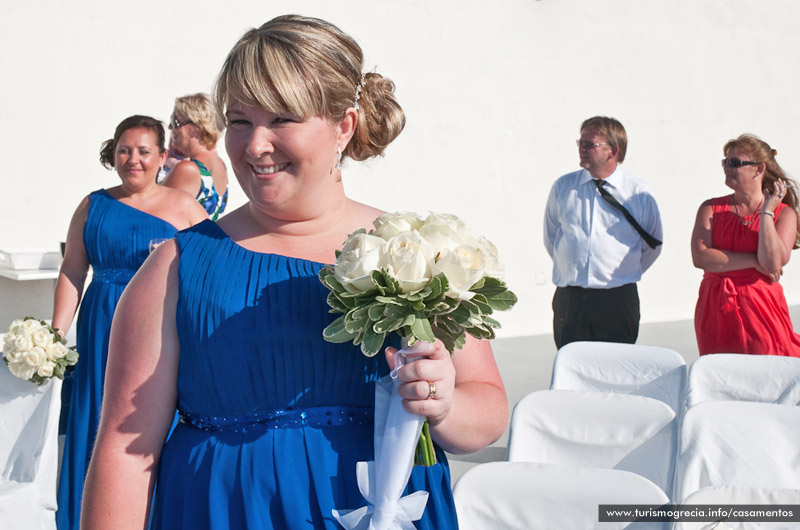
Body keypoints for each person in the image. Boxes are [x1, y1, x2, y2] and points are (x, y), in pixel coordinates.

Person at [81, 15, 508, 530]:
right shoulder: (173, 268)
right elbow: (125, 454)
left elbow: (486, 413)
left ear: (343, 127)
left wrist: (443, 406)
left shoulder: (419, 254)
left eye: (282, 119)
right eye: (239, 121)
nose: (255, 145)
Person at [52, 115, 207, 530]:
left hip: (160, 331)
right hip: (100, 327)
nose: (132, 159)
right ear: (113, 153)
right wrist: (55, 333)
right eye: (124, 150)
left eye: (143, 151)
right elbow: (72, 271)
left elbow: (209, 274)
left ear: (161, 157)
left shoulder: (185, 208)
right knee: (95, 419)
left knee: (147, 422)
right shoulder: (92, 206)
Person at [544, 116, 663, 349]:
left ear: (613, 151)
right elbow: (553, 237)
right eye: (580, 142)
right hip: (572, 300)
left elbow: (652, 245)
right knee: (572, 369)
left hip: (616, 300)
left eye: (590, 144)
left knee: (616, 371)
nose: (582, 148)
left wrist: (621, 275)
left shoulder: (638, 193)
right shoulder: (564, 187)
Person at [692, 134, 800, 356]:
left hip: (760, 308)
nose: (726, 168)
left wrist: (767, 212)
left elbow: (771, 263)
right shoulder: (710, 208)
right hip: (716, 308)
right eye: (726, 162)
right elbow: (701, 257)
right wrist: (753, 261)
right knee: (720, 378)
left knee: (767, 375)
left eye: (734, 163)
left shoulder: (783, 214)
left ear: (758, 169)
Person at [161, 93, 229, 220]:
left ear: (196, 130)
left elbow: (150, 211)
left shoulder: (187, 169)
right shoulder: (220, 164)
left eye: (175, 121)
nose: (170, 127)